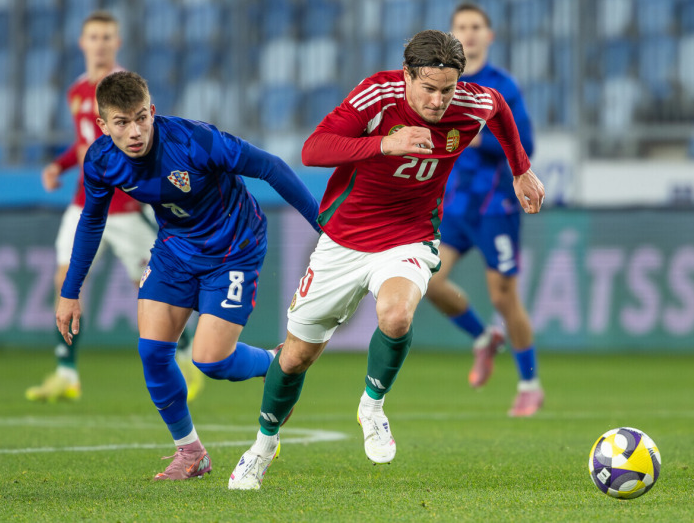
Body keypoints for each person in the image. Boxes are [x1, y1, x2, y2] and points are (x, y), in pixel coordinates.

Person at [228, 29, 545, 490]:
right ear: (407, 77)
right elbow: (313, 149)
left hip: (410, 237)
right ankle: (262, 446)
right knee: (295, 358)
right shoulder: (377, 95)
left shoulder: (471, 102)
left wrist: (521, 170)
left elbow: (498, 108)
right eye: (429, 88)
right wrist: (382, 144)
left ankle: (372, 407)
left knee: (396, 316)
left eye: (447, 89)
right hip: (344, 240)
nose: (438, 101)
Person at [54, 71, 320, 481]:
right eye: (122, 123)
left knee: (210, 361)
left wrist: (323, 227)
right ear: (104, 127)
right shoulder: (102, 160)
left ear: (153, 112)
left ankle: (277, 364)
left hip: (234, 248)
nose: (135, 131)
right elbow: (92, 221)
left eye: (141, 117)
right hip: (175, 251)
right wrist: (71, 292)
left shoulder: (195, 141)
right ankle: (191, 452)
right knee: (152, 353)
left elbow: (271, 167)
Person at [26, 11, 203, 404]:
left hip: (127, 206)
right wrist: (60, 164)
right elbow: (85, 144)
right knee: (64, 278)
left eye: (107, 37)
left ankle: (188, 357)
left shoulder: (124, 92)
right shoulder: (76, 93)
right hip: (85, 203)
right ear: (82, 43)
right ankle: (66, 372)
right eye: (94, 36)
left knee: (151, 286)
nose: (101, 43)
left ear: (117, 43)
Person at [424, 3, 543, 417]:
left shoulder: (501, 86)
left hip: (495, 207)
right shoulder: (439, 84)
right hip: (453, 206)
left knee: (504, 296)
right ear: (452, 35)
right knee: (428, 280)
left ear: (489, 36)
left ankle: (529, 383)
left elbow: (525, 144)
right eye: (461, 27)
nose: (469, 34)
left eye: (476, 27)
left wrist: (476, 138)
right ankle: (482, 337)